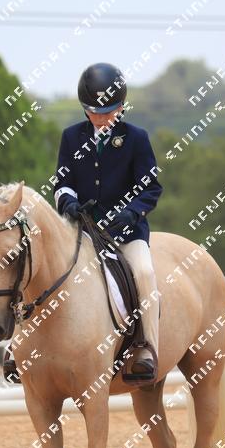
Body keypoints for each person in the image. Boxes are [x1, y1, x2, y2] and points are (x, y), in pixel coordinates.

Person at [53, 62, 163, 386]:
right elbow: (62, 183)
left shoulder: (136, 138)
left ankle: (146, 347)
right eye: (95, 113)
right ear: (85, 109)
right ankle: (24, 345)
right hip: (84, 231)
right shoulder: (71, 137)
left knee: (144, 272)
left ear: (121, 106)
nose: (102, 119)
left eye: (109, 112)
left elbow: (150, 188)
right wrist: (69, 203)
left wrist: (132, 213)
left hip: (126, 232)